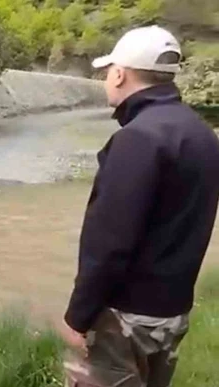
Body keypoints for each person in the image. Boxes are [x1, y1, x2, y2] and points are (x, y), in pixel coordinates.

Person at [59, 25, 219, 387]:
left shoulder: (137, 139)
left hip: (124, 319)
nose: (105, 81)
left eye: (107, 73)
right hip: (172, 312)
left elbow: (110, 243)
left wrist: (78, 317)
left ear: (119, 74)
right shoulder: (202, 135)